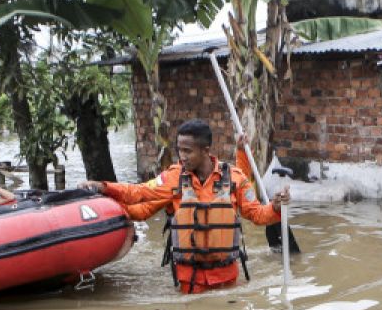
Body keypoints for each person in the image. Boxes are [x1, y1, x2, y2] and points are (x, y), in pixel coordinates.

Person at [80, 118, 289, 293]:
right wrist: (103, 187)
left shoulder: (235, 178)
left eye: (187, 151)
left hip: (226, 278)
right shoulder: (173, 177)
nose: (182, 156)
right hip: (189, 281)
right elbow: (139, 192)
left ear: (205, 150)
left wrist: (276, 207)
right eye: (179, 150)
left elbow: (257, 215)